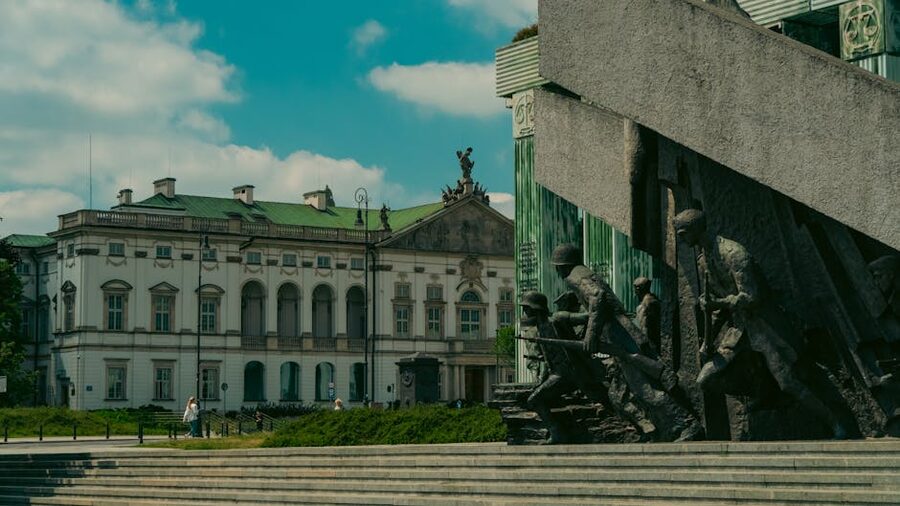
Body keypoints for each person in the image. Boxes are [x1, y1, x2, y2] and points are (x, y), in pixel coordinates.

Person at [673, 208, 848, 439]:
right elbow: (718, 312)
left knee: (789, 382)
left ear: (694, 230)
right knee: (707, 378)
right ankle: (763, 391)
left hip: (765, 327)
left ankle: (835, 422)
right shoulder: (704, 262)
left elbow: (751, 297)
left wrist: (718, 303)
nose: (680, 239)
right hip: (739, 331)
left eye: (683, 234)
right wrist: (709, 338)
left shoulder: (734, 253)